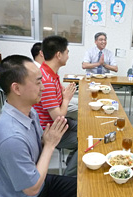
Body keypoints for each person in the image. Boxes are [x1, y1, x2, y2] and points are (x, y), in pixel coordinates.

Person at [0, 55, 77, 197]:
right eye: (38, 82)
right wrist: (50, 145)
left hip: (40, 182)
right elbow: (32, 189)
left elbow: (38, 146)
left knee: (86, 190)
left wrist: (46, 140)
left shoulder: (30, 112)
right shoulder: (11, 137)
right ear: (16, 88)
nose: (43, 88)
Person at [33, 35, 78, 176]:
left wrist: (63, 94)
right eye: (67, 52)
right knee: (85, 141)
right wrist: (66, 98)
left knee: (88, 128)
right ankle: (68, 178)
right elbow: (58, 116)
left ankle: (73, 160)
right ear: (58, 55)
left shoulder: (51, 73)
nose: (68, 56)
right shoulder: (46, 79)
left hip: (56, 124)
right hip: (49, 130)